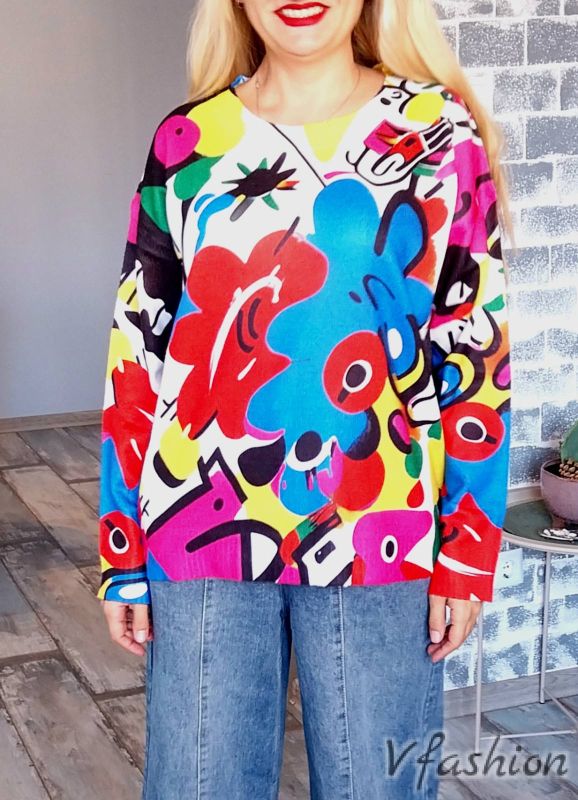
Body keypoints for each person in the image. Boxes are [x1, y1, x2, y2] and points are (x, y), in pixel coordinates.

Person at [97, 0, 512, 797]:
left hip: (380, 530)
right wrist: (121, 548)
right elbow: (138, 350)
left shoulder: (437, 133)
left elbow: (474, 348)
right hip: (202, 526)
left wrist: (466, 551)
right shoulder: (187, 142)